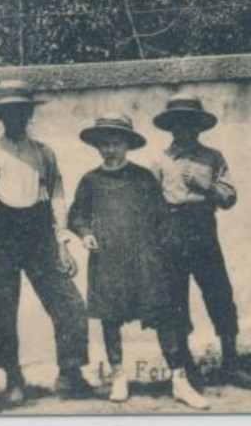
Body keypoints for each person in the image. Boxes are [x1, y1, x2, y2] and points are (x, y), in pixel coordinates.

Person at [68, 114, 210, 410]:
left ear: (127, 146)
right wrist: (85, 234)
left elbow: (162, 218)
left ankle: (179, 379)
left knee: (165, 315)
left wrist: (163, 252)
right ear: (97, 147)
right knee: (110, 317)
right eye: (105, 144)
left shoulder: (143, 178)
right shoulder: (90, 181)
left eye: (116, 143)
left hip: (145, 258)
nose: (110, 150)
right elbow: (76, 215)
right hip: (108, 258)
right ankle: (119, 376)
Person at [0, 79, 93, 404]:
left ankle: (70, 374)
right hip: (1, 236)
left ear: (29, 115)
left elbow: (56, 196)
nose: (15, 118)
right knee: (5, 309)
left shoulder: (44, 153)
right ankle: (13, 378)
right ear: (0, 117)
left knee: (69, 304)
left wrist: (63, 244)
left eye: (21, 112)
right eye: (9, 113)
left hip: (39, 233)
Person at [151, 96, 251, 391]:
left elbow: (229, 198)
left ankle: (231, 365)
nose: (184, 130)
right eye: (178, 124)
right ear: (171, 127)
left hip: (204, 228)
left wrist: (207, 186)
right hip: (172, 231)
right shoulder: (159, 161)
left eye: (190, 123)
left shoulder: (213, 157)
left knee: (220, 293)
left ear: (199, 127)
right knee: (176, 301)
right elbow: (150, 206)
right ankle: (187, 370)